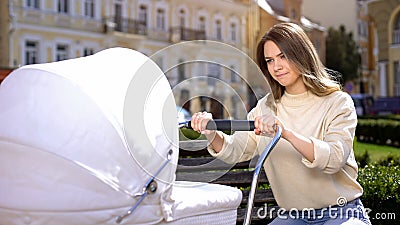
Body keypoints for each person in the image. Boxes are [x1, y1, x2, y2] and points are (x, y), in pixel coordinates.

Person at [190, 23, 371, 224]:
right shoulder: (265, 107)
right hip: (293, 216)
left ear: (301, 55)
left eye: (283, 56)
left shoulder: (337, 102)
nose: (276, 67)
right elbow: (237, 150)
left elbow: (335, 158)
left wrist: (285, 133)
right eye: (269, 60)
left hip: (341, 212)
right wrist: (212, 132)